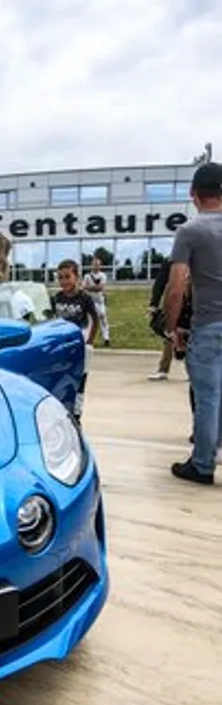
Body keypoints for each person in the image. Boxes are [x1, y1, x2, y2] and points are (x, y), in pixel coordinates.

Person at [163, 161, 222, 485]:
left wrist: (173, 327)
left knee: (208, 397)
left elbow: (177, 284)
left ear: (193, 194)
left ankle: (202, 464)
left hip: (209, 324)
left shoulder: (190, 232)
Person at [51, 259, 99, 425]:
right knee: (62, 378)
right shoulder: (56, 298)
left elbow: (95, 319)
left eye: (67, 276)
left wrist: (89, 341)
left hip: (81, 344)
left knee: (79, 380)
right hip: (62, 346)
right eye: (60, 277)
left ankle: (77, 414)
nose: (64, 281)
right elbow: (51, 321)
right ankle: (61, 409)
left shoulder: (85, 298)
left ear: (77, 277)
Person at [83, 255, 111, 346]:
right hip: (90, 301)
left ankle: (106, 338)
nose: (96, 266)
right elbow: (84, 287)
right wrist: (93, 288)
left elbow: (100, 288)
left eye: (98, 265)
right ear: (91, 265)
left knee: (103, 318)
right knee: (90, 320)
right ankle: (89, 338)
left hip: (100, 301)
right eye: (94, 264)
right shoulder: (87, 276)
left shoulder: (103, 275)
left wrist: (90, 288)